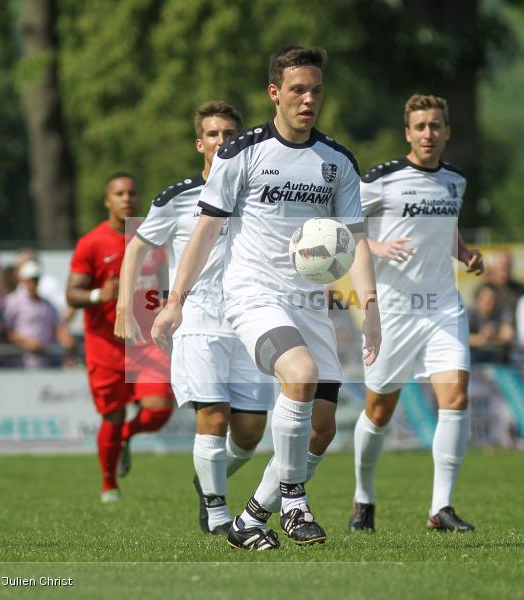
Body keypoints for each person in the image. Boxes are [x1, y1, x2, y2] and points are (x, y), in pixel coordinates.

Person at [152, 46, 381, 550]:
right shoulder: (243, 152)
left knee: (322, 430)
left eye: (316, 90)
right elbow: (205, 232)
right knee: (297, 376)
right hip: (253, 293)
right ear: (275, 93)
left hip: (308, 301)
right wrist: (175, 301)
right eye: (298, 90)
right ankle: (295, 503)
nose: (308, 100)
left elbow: (355, 239)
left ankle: (251, 518)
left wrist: (371, 308)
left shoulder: (337, 161)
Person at [116, 101, 273, 536]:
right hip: (198, 323)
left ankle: (207, 483)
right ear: (200, 142)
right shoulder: (178, 196)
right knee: (214, 418)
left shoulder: (259, 193)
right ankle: (218, 514)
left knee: (249, 434)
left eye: (229, 134)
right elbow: (136, 248)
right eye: (214, 134)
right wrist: (124, 307)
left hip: (249, 322)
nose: (222, 141)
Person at [349, 94, 484, 534]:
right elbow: (343, 228)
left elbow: (446, 230)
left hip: (444, 306)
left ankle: (441, 508)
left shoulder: (455, 182)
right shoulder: (381, 179)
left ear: (447, 132)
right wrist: (377, 245)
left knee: (456, 397)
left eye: (436, 126)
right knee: (379, 411)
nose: (428, 134)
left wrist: (464, 253)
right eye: (420, 126)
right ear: (408, 133)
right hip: (394, 310)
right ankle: (363, 497)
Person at [67, 173, 174, 504]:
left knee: (158, 411)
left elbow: (161, 284)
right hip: (106, 345)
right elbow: (72, 294)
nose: (126, 198)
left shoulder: (152, 238)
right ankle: (108, 485)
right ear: (107, 201)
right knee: (111, 417)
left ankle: (128, 436)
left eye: (131, 192)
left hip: (145, 344)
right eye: (119, 193)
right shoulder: (92, 243)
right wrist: (101, 294)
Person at [3, 261, 75, 368]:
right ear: (22, 281)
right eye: (29, 280)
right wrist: (27, 343)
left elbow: (58, 328)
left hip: (45, 363)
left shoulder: (48, 305)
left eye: (35, 280)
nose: (32, 283)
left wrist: (67, 339)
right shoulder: (12, 301)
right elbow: (6, 331)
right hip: (20, 363)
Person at [468, 283, 514, 363]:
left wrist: (492, 337)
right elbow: (462, 338)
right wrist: (482, 338)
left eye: (492, 299)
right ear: (477, 300)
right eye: (485, 299)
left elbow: (508, 336)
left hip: (498, 359)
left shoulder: (502, 311)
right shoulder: (469, 314)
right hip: (474, 359)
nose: (489, 302)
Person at [484, 250, 524, 318]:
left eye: (508, 266)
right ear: (493, 268)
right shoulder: (484, 290)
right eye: (502, 267)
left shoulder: (521, 289)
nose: (505, 271)